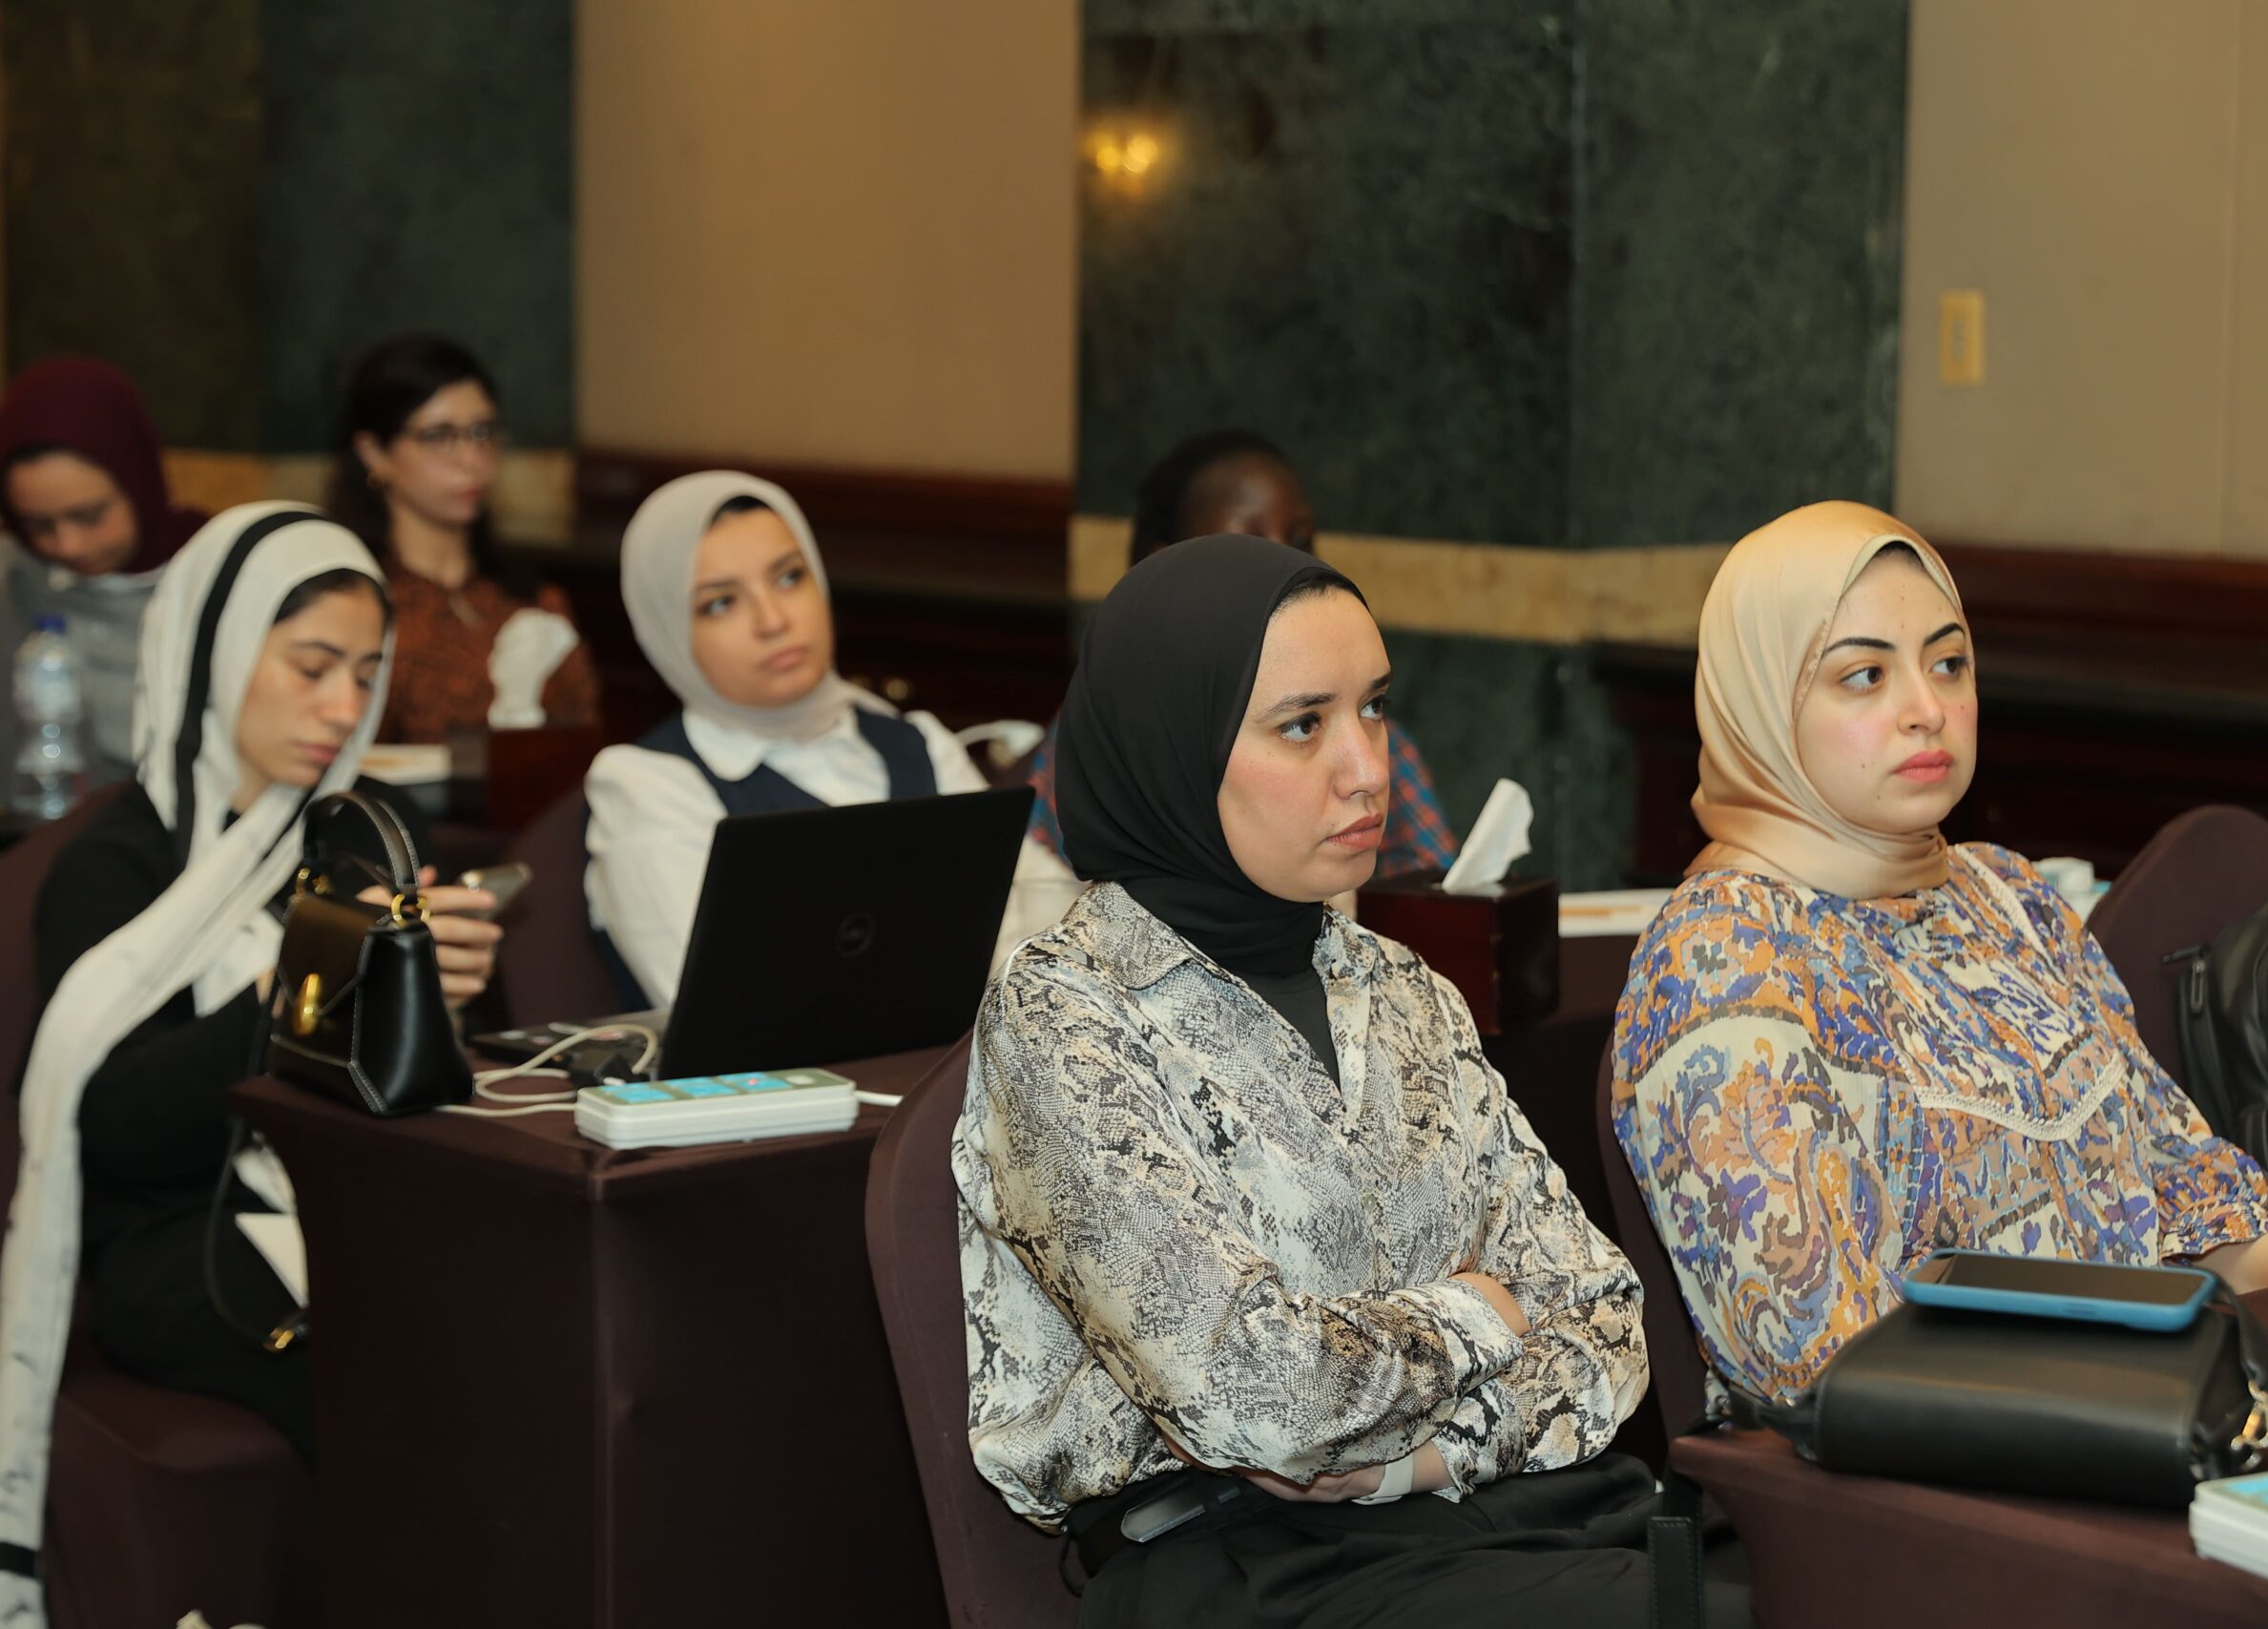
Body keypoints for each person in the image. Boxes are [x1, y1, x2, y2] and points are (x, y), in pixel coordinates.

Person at [957, 535, 1708, 1627]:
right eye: (1303, 725)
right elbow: (1264, 1403)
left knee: (1813, 1580)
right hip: (1238, 1565)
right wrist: (1476, 1310)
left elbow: (1604, 1322)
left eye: (1374, 708)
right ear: (1174, 748)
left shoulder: (1402, 987)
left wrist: (1409, 1458)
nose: (1366, 768)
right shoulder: (1067, 1015)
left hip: (1486, 1511)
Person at [1610, 500, 2268, 1406]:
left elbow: (2197, 1196)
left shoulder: (2007, 895)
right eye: (1864, 676)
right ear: (1761, 705)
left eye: (1948, 663)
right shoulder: (1722, 957)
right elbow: (1824, 1365)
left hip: (2158, 1402)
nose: (1927, 710)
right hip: (1958, 1459)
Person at [0, 504, 503, 1610]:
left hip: (354, 1201)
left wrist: (442, 1000)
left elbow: (409, 1100)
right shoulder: (118, 866)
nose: (344, 708)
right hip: (180, 1238)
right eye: (312, 667)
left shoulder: (359, 838)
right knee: (402, 1395)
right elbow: (114, 1132)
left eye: (365, 673)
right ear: (216, 652)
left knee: (535, 1335)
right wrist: (308, 984)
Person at [584, 471, 1079, 1010]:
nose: (773, 620)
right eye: (721, 603)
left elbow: (1057, 923)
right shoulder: (648, 786)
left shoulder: (918, 745)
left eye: (789, 577)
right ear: (669, 631)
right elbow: (732, 1010)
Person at [1026, 430, 1459, 879]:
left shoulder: (1376, 745)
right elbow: (1032, 882)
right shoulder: (1107, 746)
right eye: (1301, 724)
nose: (1370, 773)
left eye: (1300, 540)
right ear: (1163, 567)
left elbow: (1443, 894)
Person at [327, 332, 599, 742]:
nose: (470, 459)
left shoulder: (531, 598)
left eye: (482, 431)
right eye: (438, 436)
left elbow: (584, 738)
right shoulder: (355, 601)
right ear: (374, 453)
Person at [0, 357, 209, 782]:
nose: (68, 545)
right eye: (39, 525)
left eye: (90, 516)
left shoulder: (212, 567)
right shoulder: (15, 573)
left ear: (139, 483)